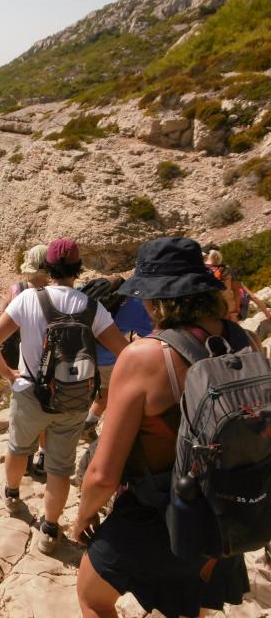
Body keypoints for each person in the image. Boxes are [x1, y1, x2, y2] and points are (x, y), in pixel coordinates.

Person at [75, 237, 256, 618]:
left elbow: (103, 474)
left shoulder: (146, 356)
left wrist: (83, 517)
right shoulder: (247, 341)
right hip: (231, 510)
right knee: (190, 605)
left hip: (163, 513)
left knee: (93, 596)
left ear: (158, 300)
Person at [0, 238, 128, 555]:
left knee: (19, 448)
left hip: (30, 393)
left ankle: (12, 496)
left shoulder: (28, 300)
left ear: (47, 267)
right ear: (78, 268)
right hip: (74, 399)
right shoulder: (92, 307)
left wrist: (8, 374)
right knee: (60, 468)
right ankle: (50, 530)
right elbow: (123, 353)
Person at [1, 244, 51, 475]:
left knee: (23, 412)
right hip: (49, 362)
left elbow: (3, 321)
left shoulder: (16, 290)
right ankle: (43, 454)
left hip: (19, 362)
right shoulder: (56, 293)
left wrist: (7, 372)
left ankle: (24, 459)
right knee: (47, 411)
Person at [81, 290, 153, 443]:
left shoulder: (122, 290)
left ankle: (86, 423)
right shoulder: (141, 303)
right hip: (105, 352)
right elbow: (154, 335)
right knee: (109, 391)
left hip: (84, 346)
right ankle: (89, 425)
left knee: (98, 389)